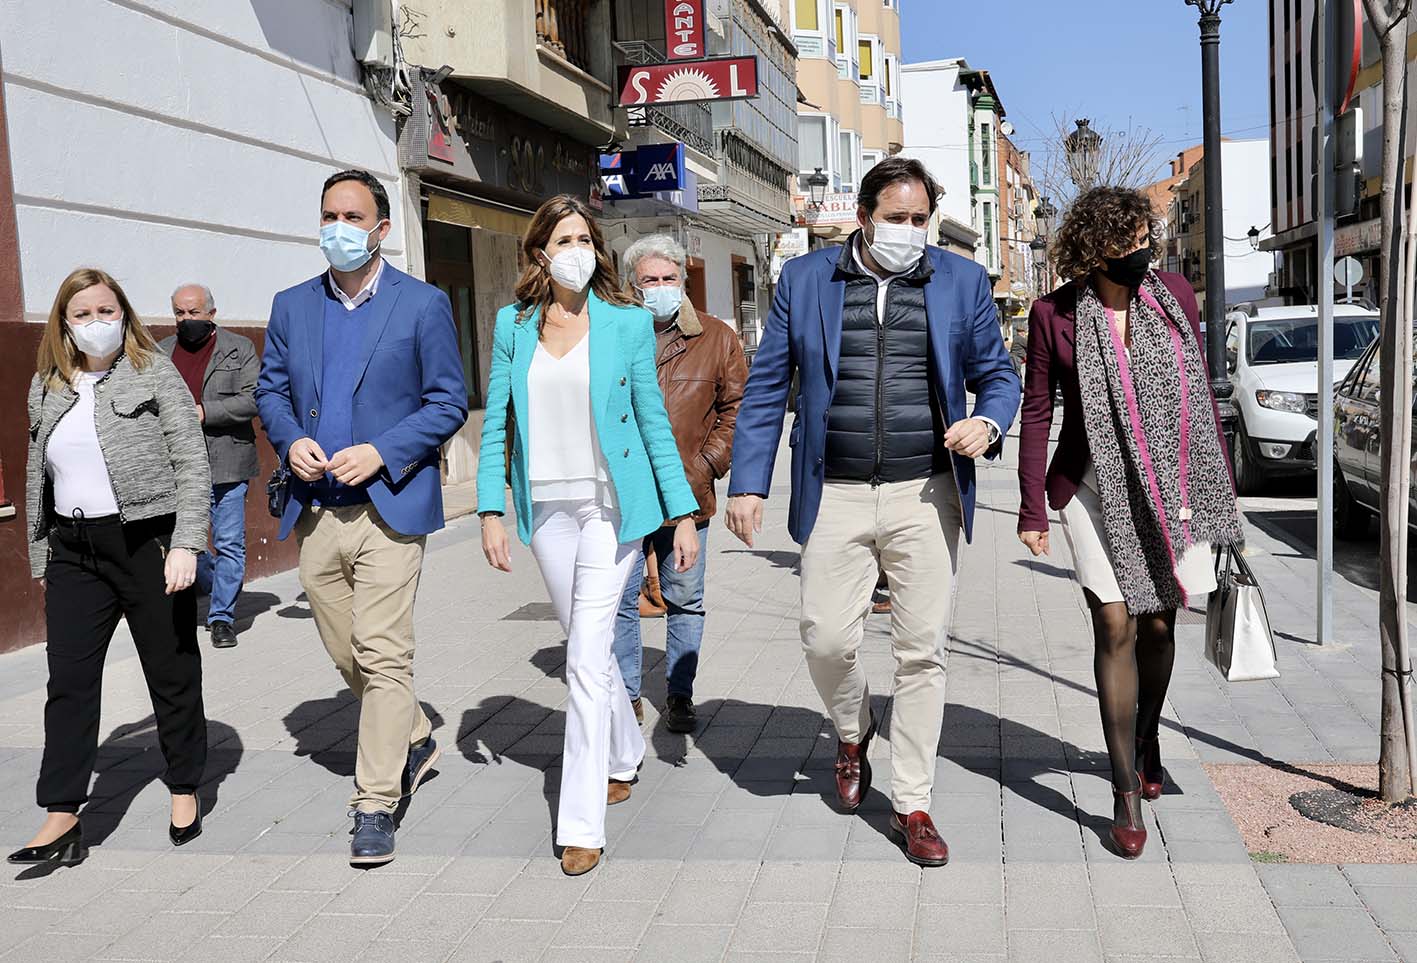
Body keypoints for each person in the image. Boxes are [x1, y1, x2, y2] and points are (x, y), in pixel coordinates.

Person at [726, 156, 1021, 867]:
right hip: (834, 489)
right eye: (897, 219)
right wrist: (747, 480)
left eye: (920, 220)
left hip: (926, 492)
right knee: (825, 638)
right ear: (863, 216)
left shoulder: (962, 281)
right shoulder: (805, 279)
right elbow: (768, 385)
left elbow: (997, 375)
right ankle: (852, 726)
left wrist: (988, 424)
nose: (911, 232)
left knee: (923, 651)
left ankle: (912, 801)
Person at [477, 196, 700, 877]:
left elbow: (652, 421)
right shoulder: (514, 325)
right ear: (539, 251)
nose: (576, 248)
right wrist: (490, 509)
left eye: (585, 237)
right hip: (547, 511)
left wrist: (681, 511)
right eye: (562, 237)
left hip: (610, 511)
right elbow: (497, 423)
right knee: (593, 651)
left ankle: (580, 821)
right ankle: (625, 749)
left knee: (581, 659)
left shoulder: (626, 322)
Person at [1017, 186, 1242, 859]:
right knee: (1113, 619)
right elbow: (1036, 412)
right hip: (1090, 488)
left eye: (1143, 237)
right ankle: (1121, 789)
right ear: (1092, 250)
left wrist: (1220, 497)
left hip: (1170, 482)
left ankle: (1145, 734)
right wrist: (1033, 507)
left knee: (1159, 622)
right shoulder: (1053, 314)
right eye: (1124, 245)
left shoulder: (1174, 293)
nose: (1139, 253)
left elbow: (1198, 393)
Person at [255, 169, 468, 866]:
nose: (337, 227)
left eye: (352, 215)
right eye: (328, 214)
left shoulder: (422, 304)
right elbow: (271, 390)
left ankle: (374, 802)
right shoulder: (292, 305)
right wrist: (292, 441)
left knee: (381, 651)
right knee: (348, 652)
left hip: (389, 507)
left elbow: (445, 401)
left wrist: (381, 450)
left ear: (380, 228)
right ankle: (412, 731)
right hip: (316, 510)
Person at [12, 268, 211, 866]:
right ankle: (62, 810)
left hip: (146, 542)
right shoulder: (46, 385)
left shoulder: (156, 373)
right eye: (82, 314)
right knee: (68, 682)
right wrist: (42, 552)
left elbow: (190, 460)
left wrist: (186, 543)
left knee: (170, 670)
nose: (96, 322)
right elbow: (35, 475)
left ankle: (184, 787)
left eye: (106, 310)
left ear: (122, 313)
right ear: (64, 325)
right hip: (75, 550)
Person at [610, 235, 747, 733]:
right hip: (623, 493)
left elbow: (737, 412)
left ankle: (680, 693)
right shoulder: (614, 332)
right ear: (632, 285)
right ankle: (626, 696)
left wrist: (704, 466)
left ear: (683, 283)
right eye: (650, 280)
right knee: (621, 601)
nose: (660, 288)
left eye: (669, 279)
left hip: (688, 492)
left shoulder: (715, 337)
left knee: (685, 596)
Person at [160, 284, 260, 649]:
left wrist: (206, 412)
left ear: (211, 315)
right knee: (181, 541)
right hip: (178, 465)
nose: (186, 320)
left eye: (194, 313)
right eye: (179, 314)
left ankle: (221, 618)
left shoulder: (239, 348)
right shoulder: (162, 353)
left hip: (228, 461)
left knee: (229, 542)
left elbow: (254, 398)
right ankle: (215, 584)